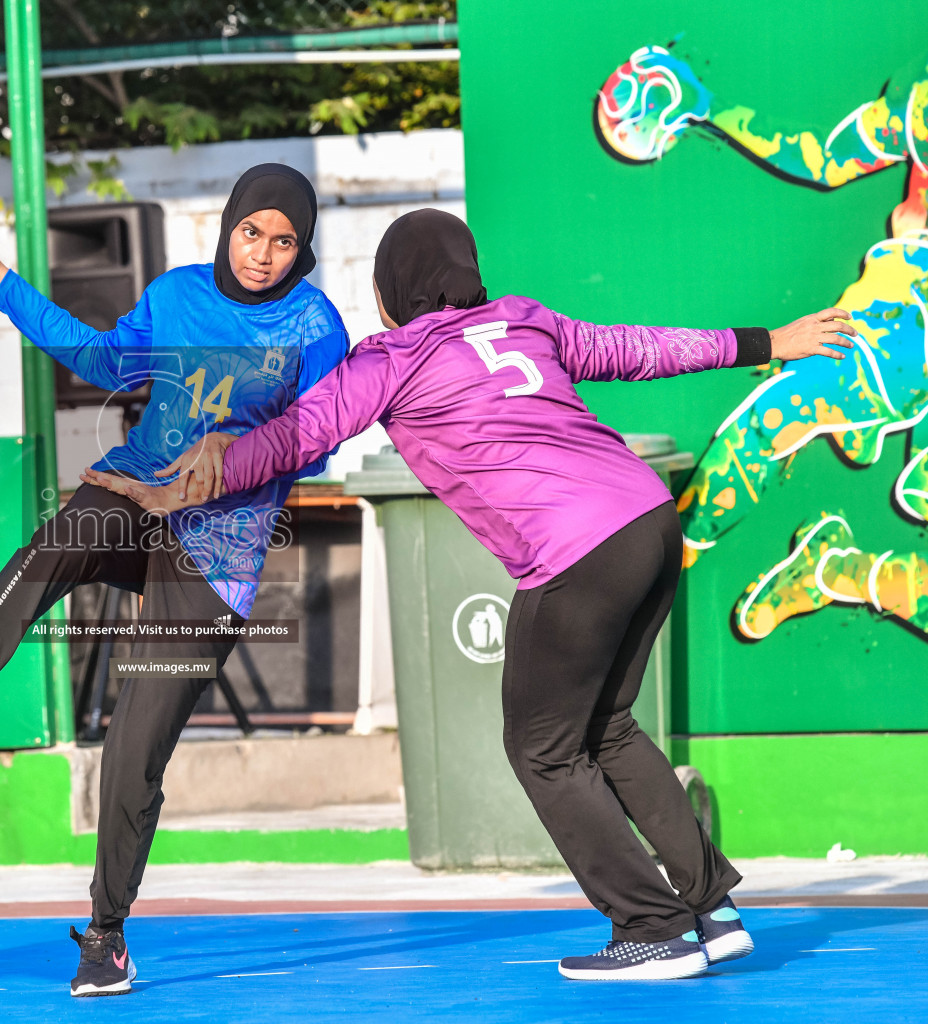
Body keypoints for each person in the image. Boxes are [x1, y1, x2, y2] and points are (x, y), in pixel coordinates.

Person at [83, 209, 856, 979]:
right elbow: (639, 348)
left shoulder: (389, 359)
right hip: (648, 520)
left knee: (541, 748)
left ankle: (650, 925)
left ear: (391, 292)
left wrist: (194, 477)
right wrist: (766, 344)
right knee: (607, 726)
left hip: (575, 550)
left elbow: (297, 436)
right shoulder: (522, 320)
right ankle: (712, 909)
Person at [0, 164, 350, 996]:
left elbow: (319, 440)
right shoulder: (179, 293)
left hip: (214, 548)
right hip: (132, 493)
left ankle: (108, 935)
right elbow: (107, 359)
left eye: (284, 240)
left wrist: (228, 457)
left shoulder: (315, 324)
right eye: (251, 232)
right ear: (228, 228)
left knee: (132, 750)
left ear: (302, 249)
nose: (263, 253)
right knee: (54, 545)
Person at [596, 44, 928, 638]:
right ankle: (645, 578)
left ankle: (839, 573)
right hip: (907, 314)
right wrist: (705, 106)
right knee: (784, 412)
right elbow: (826, 158)